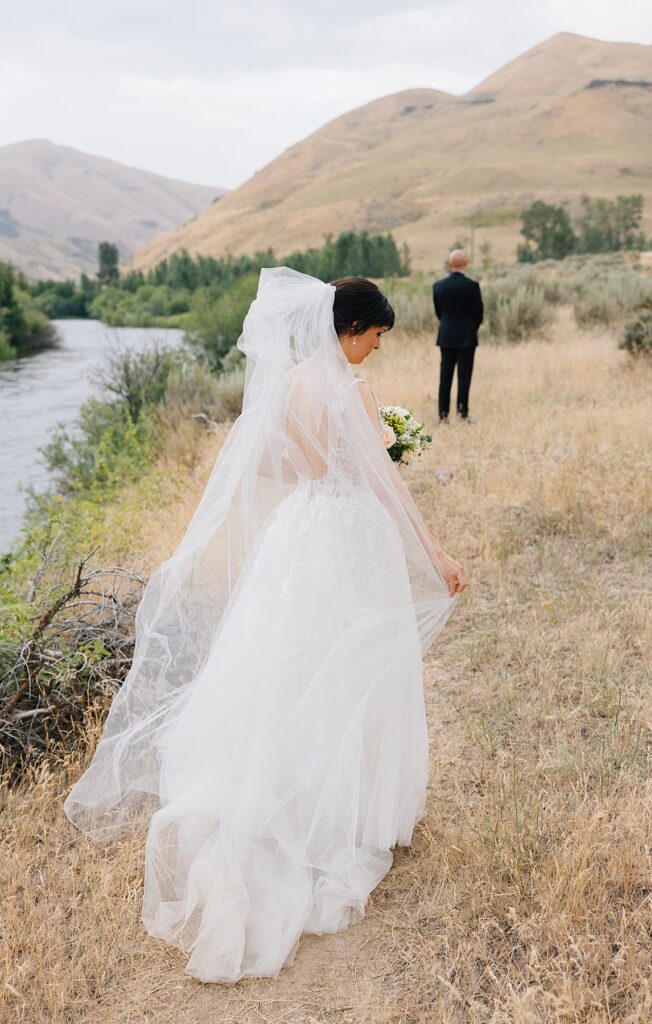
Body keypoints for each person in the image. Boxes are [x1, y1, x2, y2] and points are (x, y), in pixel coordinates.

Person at [64, 269, 467, 983]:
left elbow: (278, 464)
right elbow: (384, 482)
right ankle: (342, 819)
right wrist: (432, 551)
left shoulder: (287, 386)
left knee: (291, 669)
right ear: (350, 329)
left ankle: (291, 794)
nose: (375, 348)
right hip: (347, 540)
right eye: (375, 335)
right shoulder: (350, 389)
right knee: (348, 670)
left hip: (299, 534)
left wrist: (331, 469)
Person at [433, 249, 484, 421]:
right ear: (466, 264)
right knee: (464, 377)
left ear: (450, 264)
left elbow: (439, 312)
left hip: (446, 336)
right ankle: (463, 413)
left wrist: (448, 325)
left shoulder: (439, 286)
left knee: (445, 377)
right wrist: (470, 328)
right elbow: (479, 314)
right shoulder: (472, 286)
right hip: (467, 337)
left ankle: (443, 414)